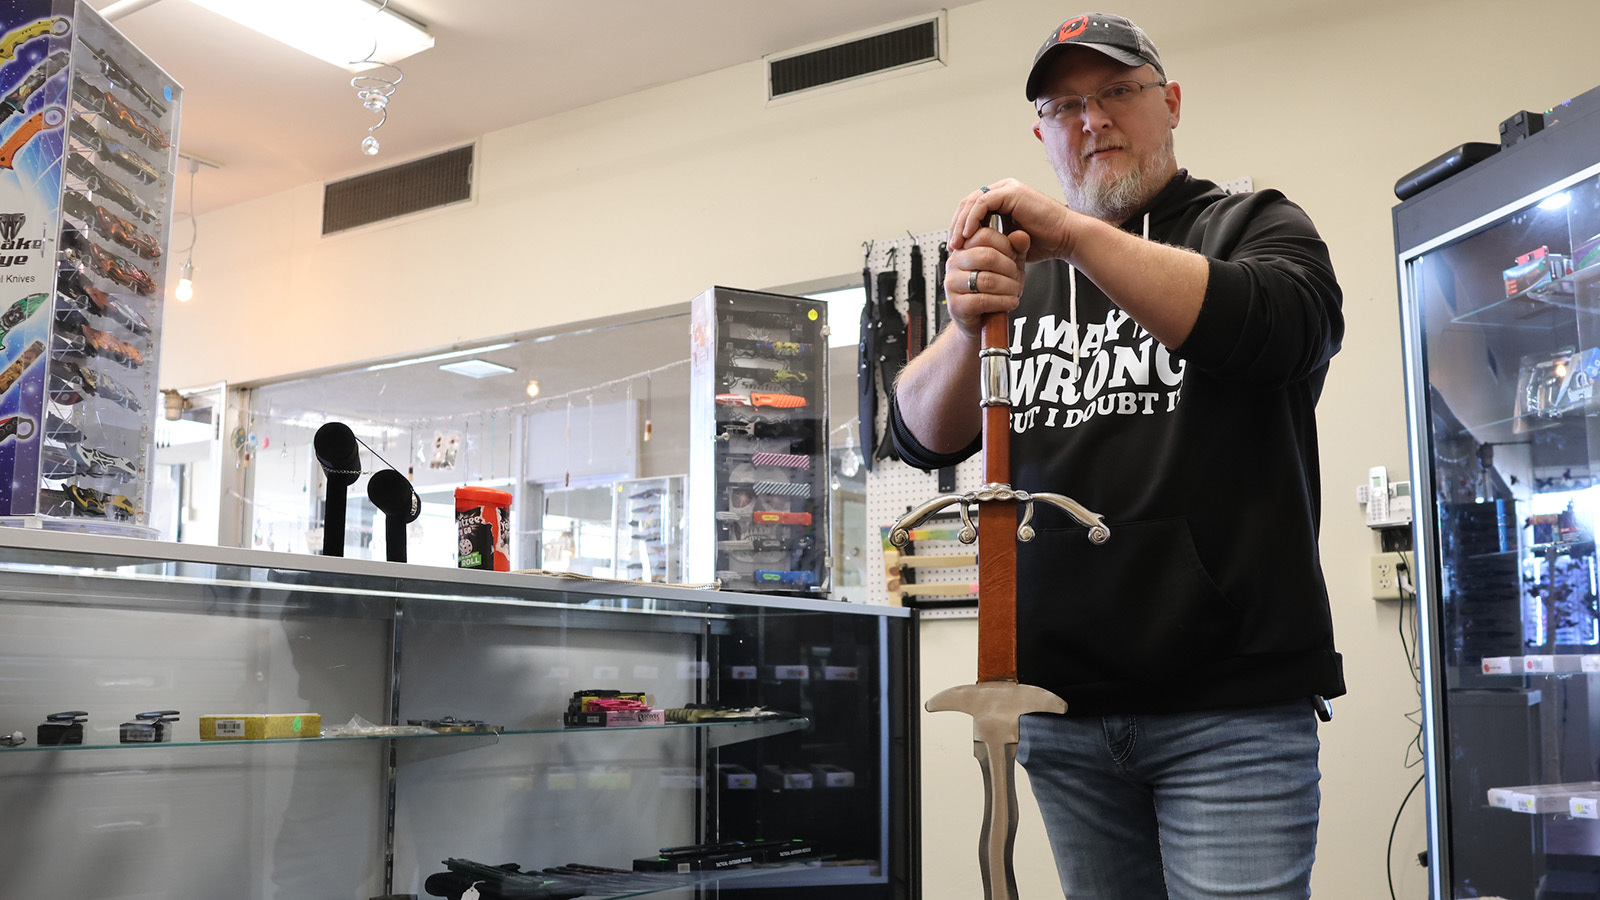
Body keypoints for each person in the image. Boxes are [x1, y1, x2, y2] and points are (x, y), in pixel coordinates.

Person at [890, 12, 1345, 899]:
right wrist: (963, 328)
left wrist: (1074, 235)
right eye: (1065, 105)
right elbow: (918, 435)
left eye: (1117, 93)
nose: (1092, 120)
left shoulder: (1252, 223)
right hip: (1063, 714)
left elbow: (1275, 330)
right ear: (1041, 133)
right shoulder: (1021, 278)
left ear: (1170, 103)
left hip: (1232, 709)